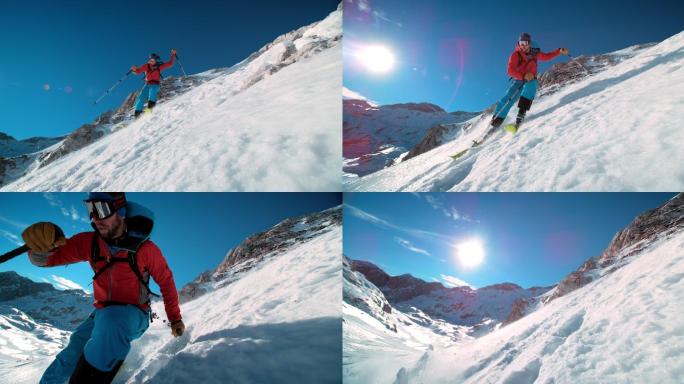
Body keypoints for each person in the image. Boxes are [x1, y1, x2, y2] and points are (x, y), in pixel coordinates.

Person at [22, 192, 185, 383]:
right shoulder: (90, 242)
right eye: (90, 210)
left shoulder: (146, 249)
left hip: (134, 314)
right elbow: (49, 260)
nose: (95, 218)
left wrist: (175, 319)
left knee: (111, 322)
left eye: (101, 209)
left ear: (121, 211)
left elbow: (166, 281)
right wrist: (40, 248)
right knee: (75, 347)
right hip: (101, 312)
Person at [489, 32, 569, 133]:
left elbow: (547, 56)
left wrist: (559, 51)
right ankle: (496, 123)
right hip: (519, 80)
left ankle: (521, 115)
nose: (523, 45)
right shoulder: (515, 55)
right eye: (521, 43)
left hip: (530, 79)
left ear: (529, 43)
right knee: (507, 98)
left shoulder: (535, 53)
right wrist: (522, 76)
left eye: (525, 43)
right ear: (519, 43)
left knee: (531, 86)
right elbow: (510, 70)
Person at [131, 50, 176, 118]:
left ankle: (150, 108)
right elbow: (138, 71)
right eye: (151, 59)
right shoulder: (146, 66)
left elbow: (170, 63)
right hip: (147, 85)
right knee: (141, 98)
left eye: (154, 60)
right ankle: (137, 114)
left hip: (155, 84)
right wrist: (134, 69)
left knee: (152, 92)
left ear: (156, 61)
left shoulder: (159, 67)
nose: (152, 61)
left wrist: (173, 55)